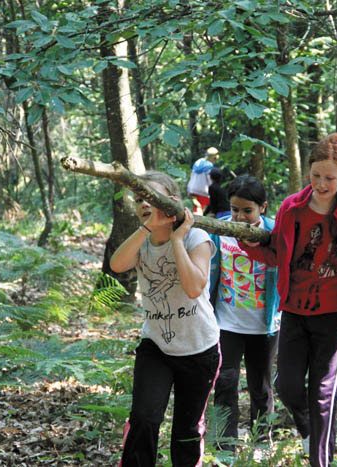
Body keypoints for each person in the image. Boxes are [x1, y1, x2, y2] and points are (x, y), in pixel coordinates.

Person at [240, 133, 337, 467]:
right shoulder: (292, 208)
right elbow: (277, 255)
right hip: (294, 312)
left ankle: (320, 461)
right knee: (286, 387)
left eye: (329, 177)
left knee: (323, 396)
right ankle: (309, 432)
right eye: (315, 175)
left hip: (334, 317)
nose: (321, 183)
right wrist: (248, 241)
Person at [110, 171, 221, 466]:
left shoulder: (196, 237)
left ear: (171, 202)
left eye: (151, 197)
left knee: (186, 432)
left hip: (200, 349)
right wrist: (148, 228)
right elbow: (117, 264)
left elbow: (194, 287)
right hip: (156, 346)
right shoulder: (141, 241)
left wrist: (177, 238)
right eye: (139, 199)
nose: (145, 203)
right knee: (144, 418)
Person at [208, 175, 280, 453]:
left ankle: (262, 442)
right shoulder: (218, 230)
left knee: (261, 387)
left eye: (247, 210)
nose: (240, 216)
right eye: (235, 209)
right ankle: (224, 444)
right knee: (225, 381)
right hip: (226, 322)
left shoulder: (273, 232)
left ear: (262, 207)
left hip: (265, 325)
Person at [187, 147, 219, 215]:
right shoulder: (209, 166)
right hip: (203, 191)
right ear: (213, 157)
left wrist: (189, 189)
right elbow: (210, 180)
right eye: (215, 158)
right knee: (203, 210)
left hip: (192, 189)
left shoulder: (198, 162)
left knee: (197, 209)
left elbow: (192, 176)